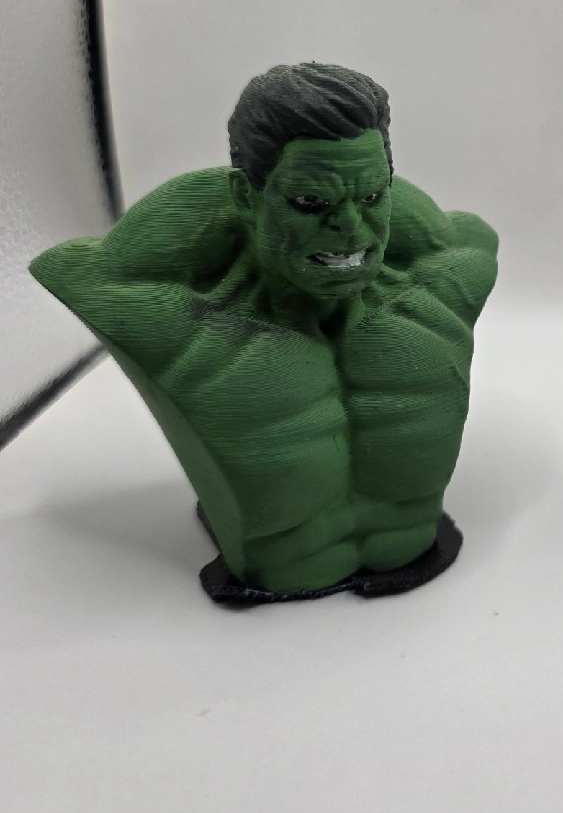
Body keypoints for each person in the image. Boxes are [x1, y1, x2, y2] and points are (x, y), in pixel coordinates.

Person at [32, 62, 498, 596]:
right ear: (245, 197)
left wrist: (350, 186)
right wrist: (238, 199)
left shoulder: (437, 294)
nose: (350, 228)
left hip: (418, 593)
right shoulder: (185, 326)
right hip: (263, 606)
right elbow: (81, 271)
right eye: (310, 203)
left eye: (372, 198)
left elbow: (462, 237)